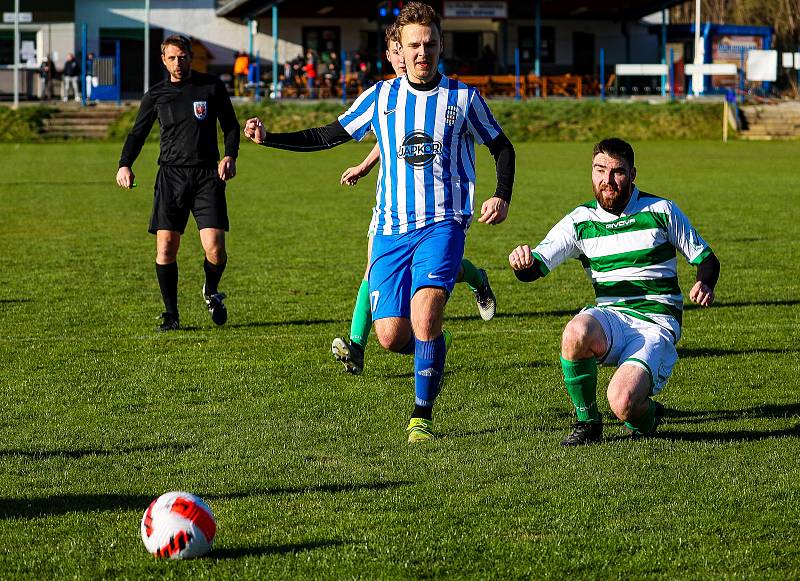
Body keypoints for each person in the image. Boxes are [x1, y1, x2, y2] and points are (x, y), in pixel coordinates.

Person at [244, 2, 515, 443]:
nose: (422, 52)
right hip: (391, 228)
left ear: (440, 45)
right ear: (399, 51)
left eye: (429, 44)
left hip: (444, 221)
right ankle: (434, 350)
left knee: (426, 315)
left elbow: (502, 147)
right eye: (414, 45)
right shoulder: (380, 97)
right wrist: (270, 138)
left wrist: (501, 195)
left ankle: (421, 415)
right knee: (391, 336)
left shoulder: (463, 98)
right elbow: (327, 135)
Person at [508, 138, 720, 446]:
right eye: (599, 170)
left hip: (655, 325)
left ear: (633, 174)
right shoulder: (580, 221)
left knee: (623, 404)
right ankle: (587, 422)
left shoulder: (661, 210)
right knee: (576, 331)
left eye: (617, 172)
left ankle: (647, 415)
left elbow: (706, 259)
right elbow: (535, 269)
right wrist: (521, 263)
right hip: (612, 319)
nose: (607, 181)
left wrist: (705, 282)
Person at [332, 22, 497, 377]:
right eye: (400, 50)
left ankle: (359, 345)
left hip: (440, 213)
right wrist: (364, 166)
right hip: (389, 210)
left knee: (419, 300)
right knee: (381, 296)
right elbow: (389, 139)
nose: (408, 58)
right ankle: (384, 340)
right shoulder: (383, 94)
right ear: (392, 53)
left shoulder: (452, 97)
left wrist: (363, 164)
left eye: (425, 45)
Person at [116, 34, 240, 332]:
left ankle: (211, 290)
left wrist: (230, 156)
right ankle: (171, 315)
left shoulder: (210, 86)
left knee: (215, 249)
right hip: (171, 177)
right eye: (172, 58)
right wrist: (124, 164)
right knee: (166, 247)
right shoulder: (156, 94)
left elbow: (231, 125)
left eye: (182, 56)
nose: (178, 62)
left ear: (190, 57)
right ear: (163, 60)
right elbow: (137, 133)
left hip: (207, 176)